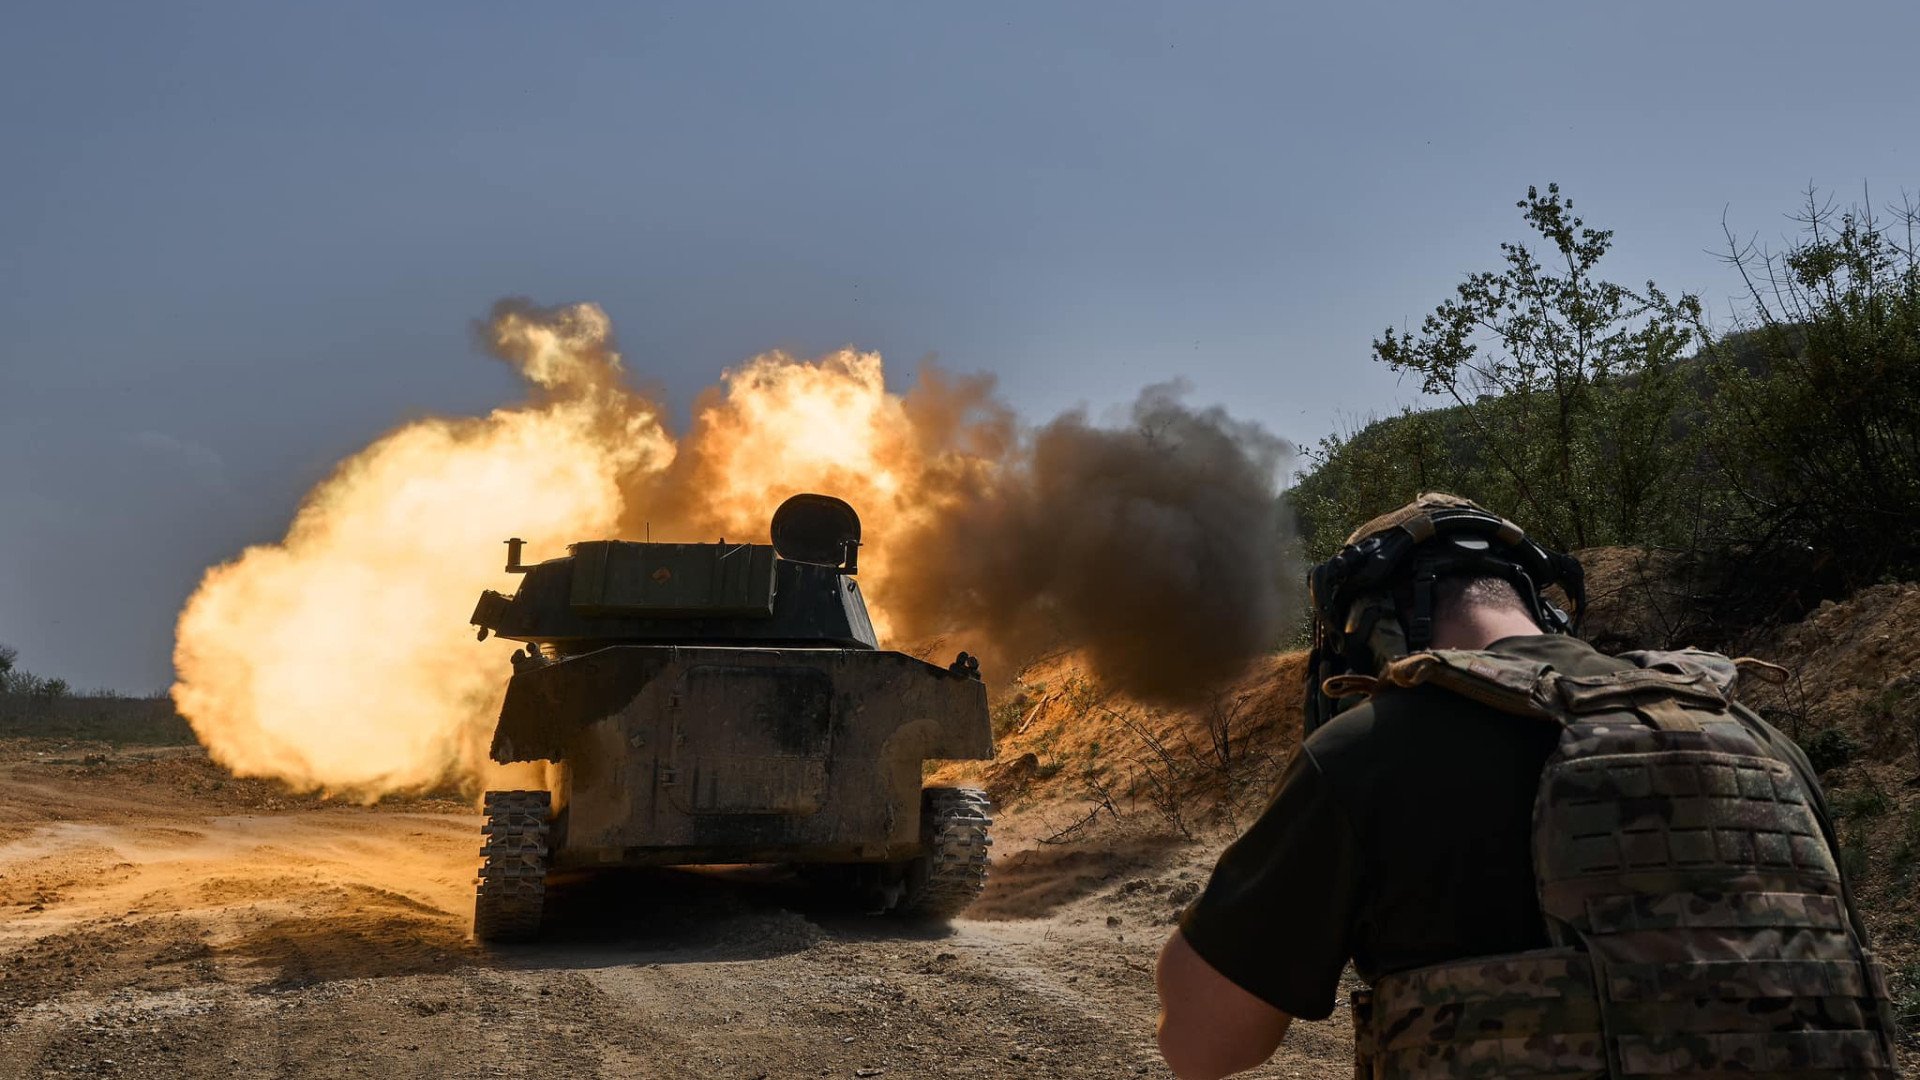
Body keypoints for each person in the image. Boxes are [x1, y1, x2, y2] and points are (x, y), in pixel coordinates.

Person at [1155, 493, 1900, 1080]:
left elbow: (1202, 1045)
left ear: (1373, 626)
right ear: (1536, 607)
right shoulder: (1763, 742)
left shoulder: (1372, 751)